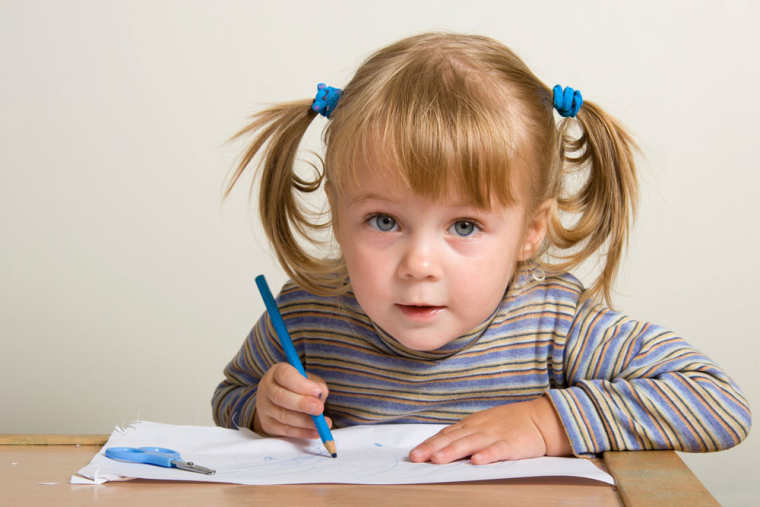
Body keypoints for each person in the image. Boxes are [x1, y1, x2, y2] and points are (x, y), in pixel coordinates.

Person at [212, 32, 750, 464]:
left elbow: (718, 403)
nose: (419, 265)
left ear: (531, 230)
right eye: (383, 220)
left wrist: (547, 422)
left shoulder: (556, 326)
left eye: (464, 226)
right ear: (337, 212)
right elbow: (231, 396)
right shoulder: (307, 318)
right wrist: (263, 409)